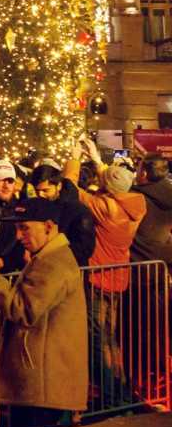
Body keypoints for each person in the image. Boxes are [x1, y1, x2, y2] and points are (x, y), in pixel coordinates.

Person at [0, 198, 87, 427]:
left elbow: (22, 309)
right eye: (17, 229)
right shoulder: (49, 257)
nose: (19, 236)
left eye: (25, 228)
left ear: (49, 226)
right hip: (41, 379)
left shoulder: (53, 263)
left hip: (42, 385)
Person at [66, 141, 147, 409]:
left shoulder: (105, 209)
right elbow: (115, 184)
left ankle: (112, 395)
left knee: (100, 339)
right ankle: (122, 389)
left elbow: (71, 192)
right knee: (110, 336)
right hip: (118, 277)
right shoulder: (136, 203)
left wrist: (75, 159)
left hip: (99, 278)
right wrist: (98, 160)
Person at [131, 155, 172, 266]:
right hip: (163, 260)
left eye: (138, 168)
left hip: (138, 261)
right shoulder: (169, 192)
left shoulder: (135, 197)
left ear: (144, 173)